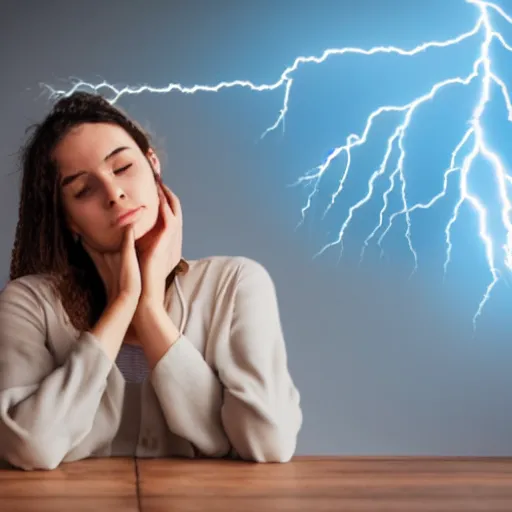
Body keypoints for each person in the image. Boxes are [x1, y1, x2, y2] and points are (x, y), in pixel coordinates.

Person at [0, 91, 302, 471]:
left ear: (152, 164)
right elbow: (30, 446)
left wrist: (149, 312)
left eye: (122, 167)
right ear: (69, 221)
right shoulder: (30, 302)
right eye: (84, 190)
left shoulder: (236, 285)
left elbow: (268, 441)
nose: (114, 194)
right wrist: (123, 302)